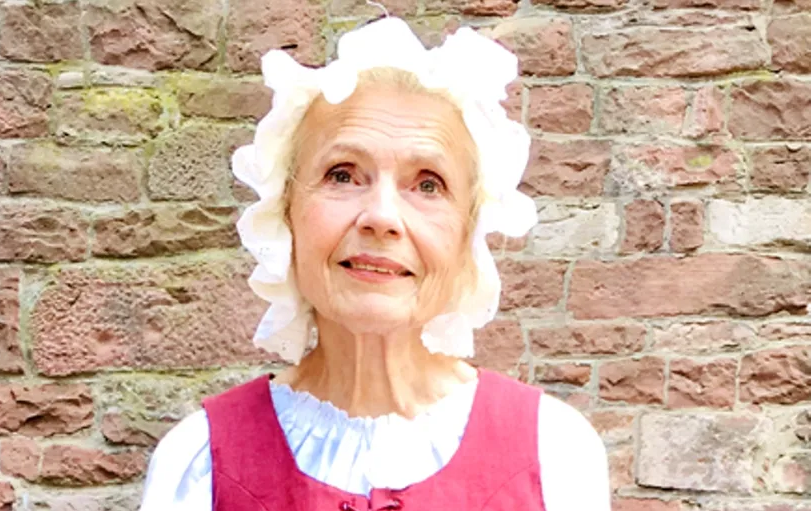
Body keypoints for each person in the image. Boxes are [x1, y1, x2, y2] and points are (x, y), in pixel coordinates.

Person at [140, 16, 610, 511]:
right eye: (343, 175)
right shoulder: (201, 463)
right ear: (285, 212)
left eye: (428, 184)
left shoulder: (554, 454)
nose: (382, 217)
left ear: (467, 231)